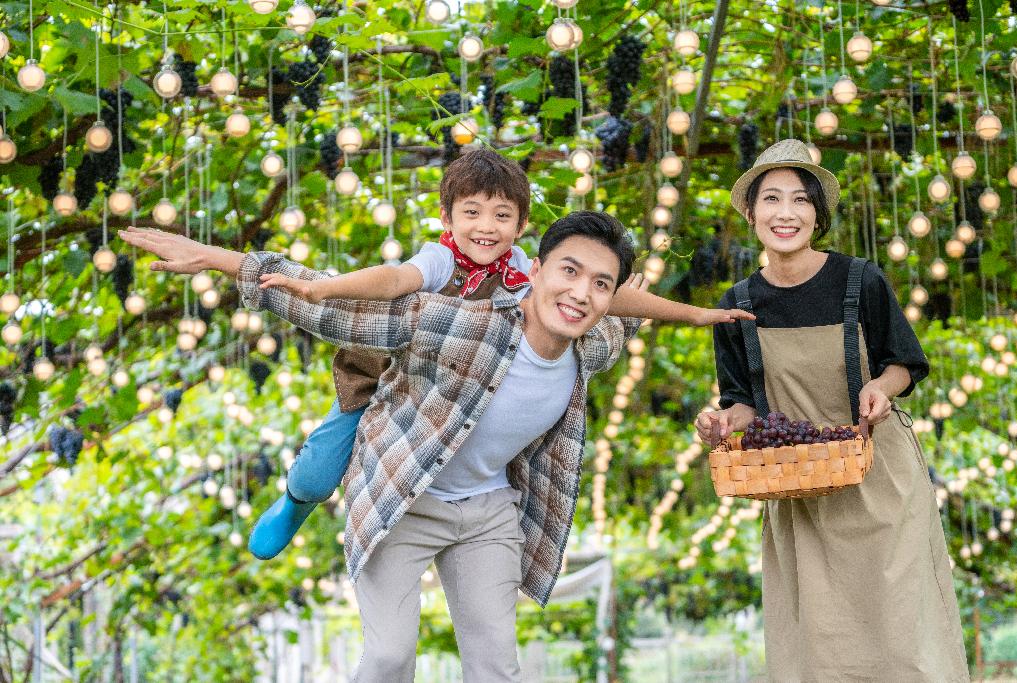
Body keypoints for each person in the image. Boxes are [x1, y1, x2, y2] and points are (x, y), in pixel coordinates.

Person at [120, 210, 744, 681]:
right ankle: (298, 496)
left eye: (600, 285)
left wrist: (703, 311)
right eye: (569, 273)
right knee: (391, 656)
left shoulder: (595, 346)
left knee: (496, 664)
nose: (581, 294)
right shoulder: (457, 324)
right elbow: (338, 307)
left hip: (488, 513)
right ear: (535, 274)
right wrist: (219, 257)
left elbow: (634, 311)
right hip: (403, 496)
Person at [240, 148, 751, 560]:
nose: (487, 226)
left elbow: (614, 294)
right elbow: (394, 280)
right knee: (320, 468)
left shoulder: (527, 268)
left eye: (502, 215)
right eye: (472, 213)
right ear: (447, 217)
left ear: (522, 224)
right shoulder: (440, 260)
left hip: (449, 395)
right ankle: (296, 501)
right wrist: (327, 289)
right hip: (385, 378)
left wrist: (695, 313)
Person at [694, 139, 968, 681]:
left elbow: (904, 363)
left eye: (801, 200)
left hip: (880, 479)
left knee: (902, 640)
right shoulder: (737, 303)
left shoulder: (859, 279)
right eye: (771, 199)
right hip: (799, 487)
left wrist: (882, 389)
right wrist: (722, 423)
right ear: (751, 214)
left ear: (818, 214)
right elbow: (743, 403)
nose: (786, 213)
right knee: (818, 647)